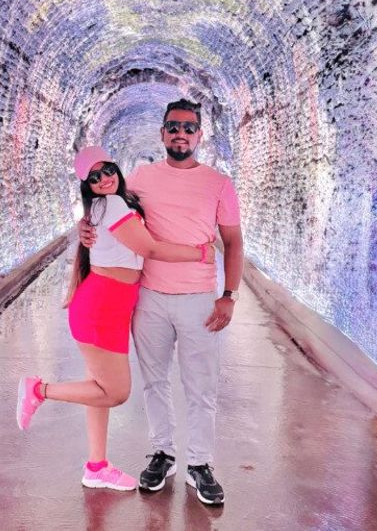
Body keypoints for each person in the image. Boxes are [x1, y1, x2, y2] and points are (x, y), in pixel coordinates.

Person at [14, 144, 215, 492]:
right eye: (95, 177)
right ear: (87, 186)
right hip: (101, 309)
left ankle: (96, 466)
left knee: (98, 389)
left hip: (110, 308)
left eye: (107, 170)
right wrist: (199, 252)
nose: (104, 178)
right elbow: (149, 248)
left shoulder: (114, 201)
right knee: (116, 392)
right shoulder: (115, 203)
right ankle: (38, 390)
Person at [77, 98, 242, 506]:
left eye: (188, 127)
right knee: (154, 381)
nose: (180, 133)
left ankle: (200, 464)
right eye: (173, 127)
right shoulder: (140, 178)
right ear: (163, 133)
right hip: (148, 298)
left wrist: (229, 296)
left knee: (200, 387)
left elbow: (234, 242)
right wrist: (84, 226)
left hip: (198, 299)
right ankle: (162, 453)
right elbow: (107, 206)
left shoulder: (219, 183)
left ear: (200, 135)